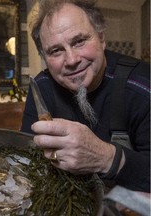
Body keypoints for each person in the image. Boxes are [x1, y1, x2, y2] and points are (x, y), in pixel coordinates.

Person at [21, 0, 150, 193]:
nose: (72, 60)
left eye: (79, 41)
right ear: (45, 58)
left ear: (102, 38)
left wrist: (107, 158)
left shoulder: (141, 87)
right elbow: (28, 164)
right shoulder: (41, 88)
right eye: (56, 51)